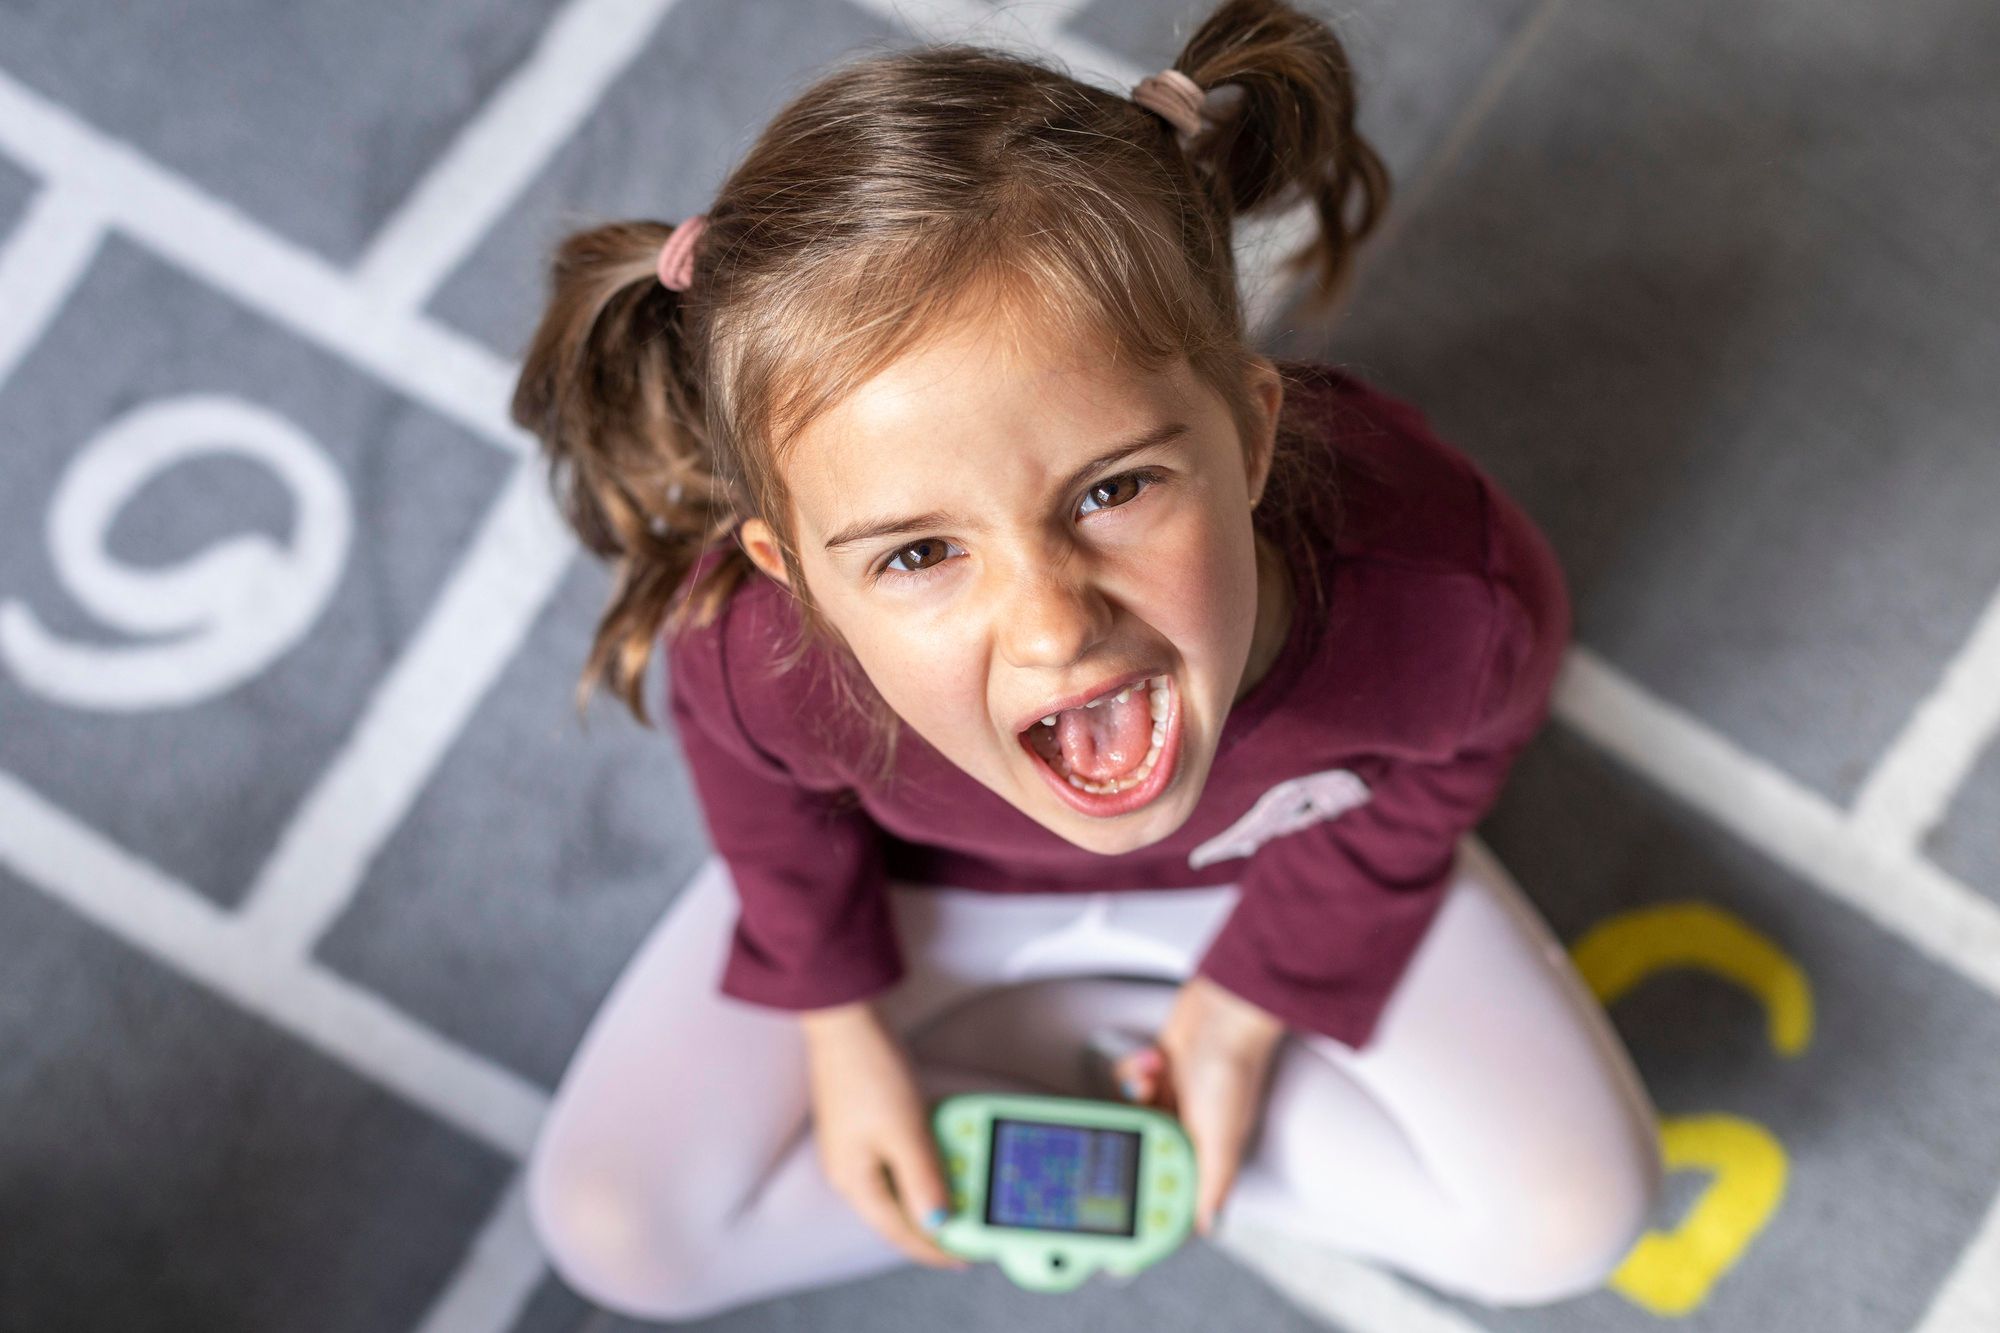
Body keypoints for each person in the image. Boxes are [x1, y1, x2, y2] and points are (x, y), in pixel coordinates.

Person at [507, 0, 1663, 1321]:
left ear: (1251, 430)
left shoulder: (1446, 590)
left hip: (1270, 879)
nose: (1056, 627)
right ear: (797, 573)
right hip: (926, 907)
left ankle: (1105, 1109)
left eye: (1113, 489)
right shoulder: (764, 656)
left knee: (1573, 1217)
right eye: (914, 555)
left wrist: (1250, 1000)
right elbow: (764, 808)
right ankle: (1083, 1103)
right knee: (616, 1232)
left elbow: (1455, 757)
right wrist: (843, 1025)